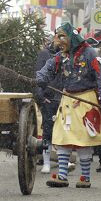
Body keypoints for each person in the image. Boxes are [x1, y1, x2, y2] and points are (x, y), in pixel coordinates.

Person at [36, 22, 101, 188]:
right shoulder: (61, 56)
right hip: (67, 100)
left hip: (86, 101)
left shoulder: (91, 53)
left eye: (62, 37)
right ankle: (62, 175)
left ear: (71, 37)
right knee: (62, 137)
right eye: (58, 37)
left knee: (84, 140)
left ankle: (85, 177)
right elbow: (47, 69)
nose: (59, 41)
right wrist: (40, 79)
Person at [34, 33, 62, 174]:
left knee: (65, 129)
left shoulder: (68, 55)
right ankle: (46, 162)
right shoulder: (44, 54)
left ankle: (64, 160)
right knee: (47, 130)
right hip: (49, 98)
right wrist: (40, 96)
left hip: (64, 97)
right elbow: (38, 75)